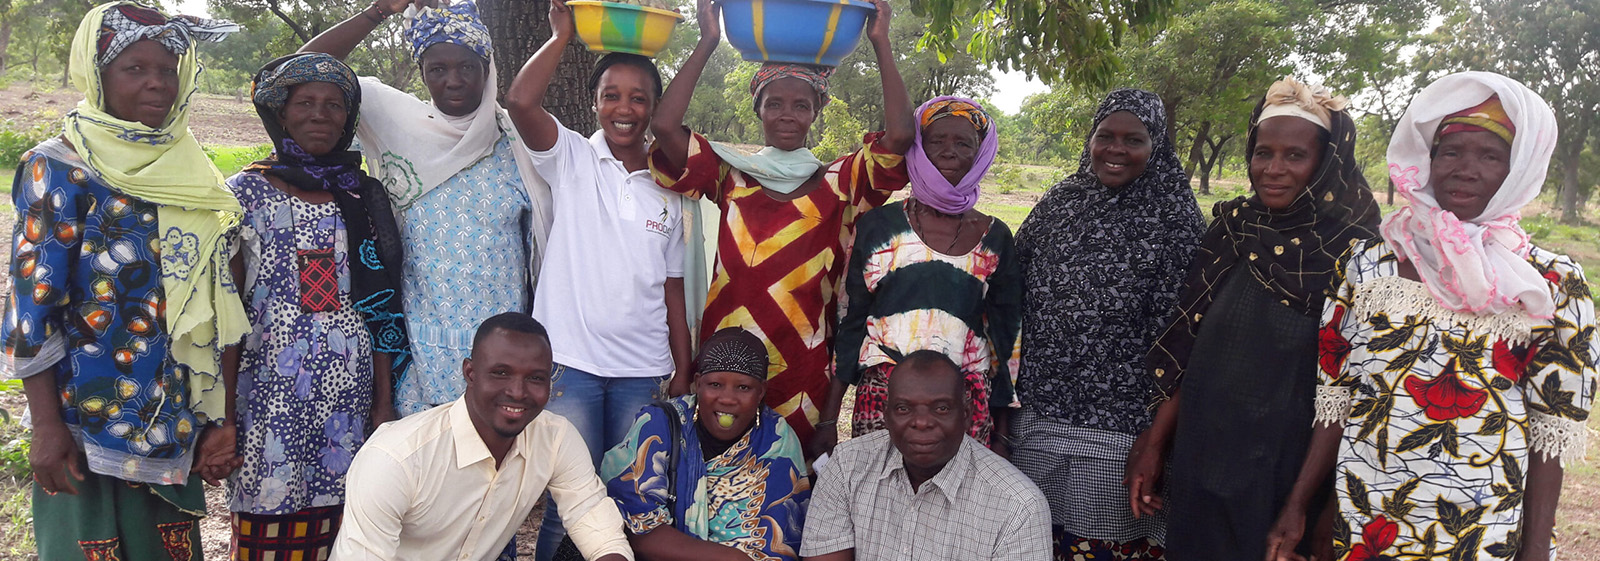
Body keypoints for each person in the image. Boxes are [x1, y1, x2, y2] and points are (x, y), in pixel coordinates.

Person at [1263, 71, 1598, 561]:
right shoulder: (1368, 264)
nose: (1466, 169)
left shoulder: (1550, 283)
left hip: (1482, 532)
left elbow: (1552, 431)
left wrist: (1534, 551)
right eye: (1451, 152)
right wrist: (1301, 507)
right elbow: (1337, 399)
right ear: (1428, 160)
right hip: (1365, 521)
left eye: (1491, 156)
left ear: (1520, 169)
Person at [1, 3, 240, 558]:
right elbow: (33, 305)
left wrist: (217, 417)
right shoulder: (59, 168)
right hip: (82, 424)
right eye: (135, 68)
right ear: (97, 75)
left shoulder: (188, 171)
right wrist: (45, 425)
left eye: (167, 69)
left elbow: (216, 303)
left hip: (171, 419)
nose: (157, 82)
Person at [1123, 78, 1381, 561]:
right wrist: (1155, 443)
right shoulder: (1234, 229)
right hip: (1201, 457)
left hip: (1287, 474)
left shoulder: (1358, 254)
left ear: (1327, 162)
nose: (1273, 169)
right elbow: (1189, 344)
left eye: (1295, 156)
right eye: (1263, 153)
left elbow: (1349, 392)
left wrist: (1304, 505)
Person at [650, 0, 914, 453]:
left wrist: (881, 41)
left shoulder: (841, 184)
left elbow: (900, 138)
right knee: (713, 465)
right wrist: (708, 40)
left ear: (816, 113)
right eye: (774, 104)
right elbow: (664, 126)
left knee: (789, 473)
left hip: (801, 368)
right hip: (724, 364)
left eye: (800, 105)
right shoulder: (731, 176)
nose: (787, 114)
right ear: (758, 109)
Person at [502, 1, 695, 556]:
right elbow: (520, 102)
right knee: (569, 504)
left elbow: (673, 289)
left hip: (643, 370)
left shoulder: (671, 188)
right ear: (594, 102)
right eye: (611, 95)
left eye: (639, 97)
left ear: (654, 107)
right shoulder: (571, 158)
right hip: (571, 365)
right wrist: (561, 36)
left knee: (629, 502)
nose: (624, 108)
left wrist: (682, 368)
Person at [299, 0, 553, 417]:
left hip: (506, 361)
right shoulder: (399, 123)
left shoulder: (516, 140)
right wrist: (379, 11)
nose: (453, 81)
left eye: (467, 67)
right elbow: (303, 68)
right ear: (422, 73)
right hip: (421, 356)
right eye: (437, 69)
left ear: (487, 69)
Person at [218, 52, 410, 559]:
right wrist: (224, 416)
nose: (320, 114)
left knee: (347, 530)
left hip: (348, 399)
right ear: (281, 114)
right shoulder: (244, 194)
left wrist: (383, 402)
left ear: (348, 119)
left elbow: (382, 307)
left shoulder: (362, 196)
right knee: (266, 526)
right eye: (305, 103)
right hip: (268, 397)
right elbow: (226, 315)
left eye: (333, 105)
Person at [1009, 89, 1203, 560]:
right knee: (1030, 543)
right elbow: (1010, 282)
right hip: (1037, 421)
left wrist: (1154, 442)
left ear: (1156, 145)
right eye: (1105, 136)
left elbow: (1186, 343)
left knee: (1100, 547)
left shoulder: (1175, 219)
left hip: (1121, 436)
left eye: (1133, 139)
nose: (1116, 149)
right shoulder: (1061, 203)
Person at [332, 313, 634, 561]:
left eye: (535, 378)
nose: (518, 392)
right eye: (501, 373)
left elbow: (597, 527)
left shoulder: (555, 439)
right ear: (470, 372)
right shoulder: (395, 459)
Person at [823, 96, 1021, 450]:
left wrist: (1002, 433)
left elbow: (1006, 338)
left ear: (980, 154)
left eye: (964, 143)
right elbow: (850, 321)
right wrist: (828, 420)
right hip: (884, 399)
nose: (949, 152)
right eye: (936, 141)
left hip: (964, 403)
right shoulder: (879, 226)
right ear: (918, 149)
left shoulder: (995, 238)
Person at [800, 350, 1051, 560]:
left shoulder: (1019, 506)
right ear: (886, 415)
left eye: (941, 408)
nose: (921, 422)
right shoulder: (847, 466)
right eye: (903, 408)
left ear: (966, 415)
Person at [601, 328, 810, 561]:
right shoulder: (660, 424)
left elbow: (780, 541)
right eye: (715, 384)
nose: (727, 398)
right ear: (698, 384)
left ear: (761, 391)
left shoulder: (777, 440)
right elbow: (639, 531)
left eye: (743, 387)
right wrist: (731, 558)